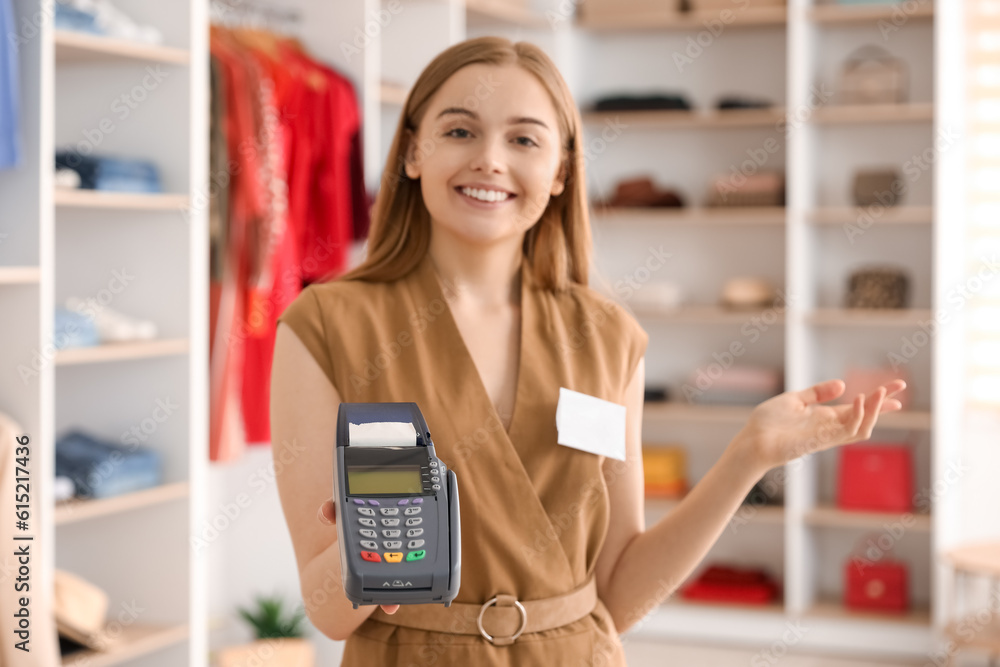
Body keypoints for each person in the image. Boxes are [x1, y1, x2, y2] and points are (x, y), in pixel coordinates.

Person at [270, 36, 906, 666]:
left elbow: (619, 595)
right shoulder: (326, 326)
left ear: (561, 173)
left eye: (523, 139)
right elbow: (329, 614)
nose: (490, 160)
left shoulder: (607, 338)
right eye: (459, 132)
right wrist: (376, 543)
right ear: (412, 150)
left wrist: (747, 458)